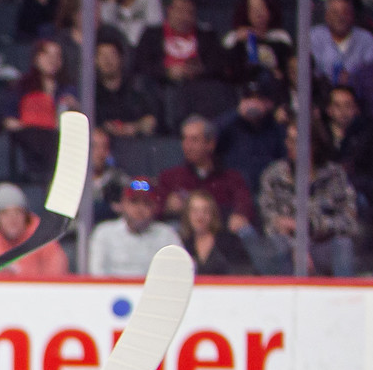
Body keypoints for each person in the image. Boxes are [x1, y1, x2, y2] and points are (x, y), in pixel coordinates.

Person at [256, 123, 361, 278]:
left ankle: (343, 297)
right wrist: (297, 247)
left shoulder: (334, 176)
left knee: (343, 245)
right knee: (277, 243)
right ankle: (285, 296)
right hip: (286, 247)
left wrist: (310, 225)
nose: (289, 145)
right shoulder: (274, 175)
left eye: (295, 141)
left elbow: (349, 222)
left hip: (322, 246)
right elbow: (271, 221)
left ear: (313, 145)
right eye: (288, 140)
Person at [154, 116, 255, 231]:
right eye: (184, 139)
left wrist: (240, 215)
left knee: (245, 231)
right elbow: (153, 208)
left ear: (210, 144)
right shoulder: (169, 177)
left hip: (222, 234)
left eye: (194, 140)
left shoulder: (231, 177)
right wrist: (167, 207)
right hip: (184, 236)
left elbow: (244, 204)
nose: (187, 146)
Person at [87, 179, 184, 278]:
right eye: (134, 202)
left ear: (155, 207)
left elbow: (180, 271)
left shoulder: (167, 235)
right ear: (123, 204)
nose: (140, 208)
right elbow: (96, 274)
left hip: (155, 292)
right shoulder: (104, 233)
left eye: (146, 203)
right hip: (112, 291)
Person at [0, 182, 67, 277]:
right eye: (5, 213)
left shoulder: (45, 244)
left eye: (18, 212)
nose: (12, 219)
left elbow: (56, 283)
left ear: (26, 216)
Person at [180, 189, 254, 276]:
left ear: (212, 214)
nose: (200, 216)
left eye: (205, 211)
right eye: (195, 211)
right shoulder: (183, 245)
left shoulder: (229, 241)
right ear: (187, 215)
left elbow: (244, 271)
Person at [309, 0, 373, 86]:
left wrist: (352, 78)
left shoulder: (367, 40)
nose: (340, 17)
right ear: (326, 16)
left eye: (345, 12)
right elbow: (311, 72)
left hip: (357, 94)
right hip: (321, 93)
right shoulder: (313, 36)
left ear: (352, 15)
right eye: (335, 13)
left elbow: (369, 75)